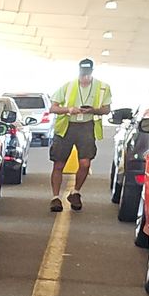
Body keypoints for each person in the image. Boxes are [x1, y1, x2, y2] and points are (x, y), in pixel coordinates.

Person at [48, 57, 110, 212]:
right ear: (79, 72)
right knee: (59, 164)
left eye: (88, 74)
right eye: (83, 74)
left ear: (92, 72)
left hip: (87, 127)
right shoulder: (67, 86)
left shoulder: (102, 87)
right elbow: (53, 108)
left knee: (85, 164)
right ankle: (55, 198)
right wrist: (69, 109)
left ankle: (75, 192)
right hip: (67, 126)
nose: (85, 77)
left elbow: (106, 109)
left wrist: (92, 110)